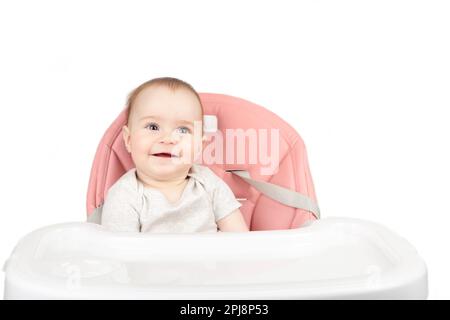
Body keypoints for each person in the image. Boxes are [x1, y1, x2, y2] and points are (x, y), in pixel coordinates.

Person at [101, 77, 249, 233]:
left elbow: (240, 240)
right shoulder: (124, 195)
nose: (168, 139)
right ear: (129, 139)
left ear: (199, 145)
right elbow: (120, 253)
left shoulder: (209, 183)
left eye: (183, 130)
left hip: (212, 257)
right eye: (153, 127)